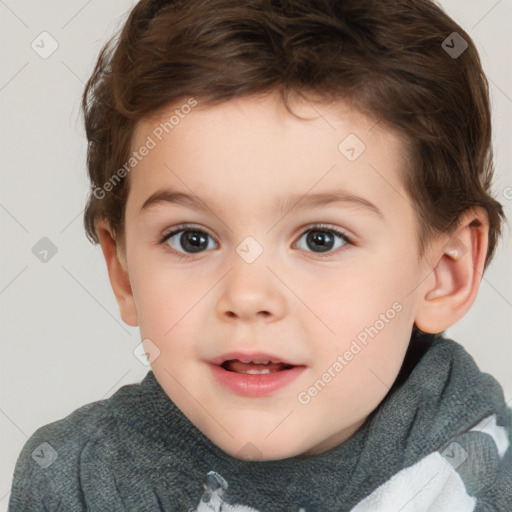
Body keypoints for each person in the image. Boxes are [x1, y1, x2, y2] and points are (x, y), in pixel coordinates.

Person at [8, 0, 512, 510]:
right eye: (192, 239)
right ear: (123, 271)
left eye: (321, 239)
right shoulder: (75, 481)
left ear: (445, 272)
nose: (248, 296)